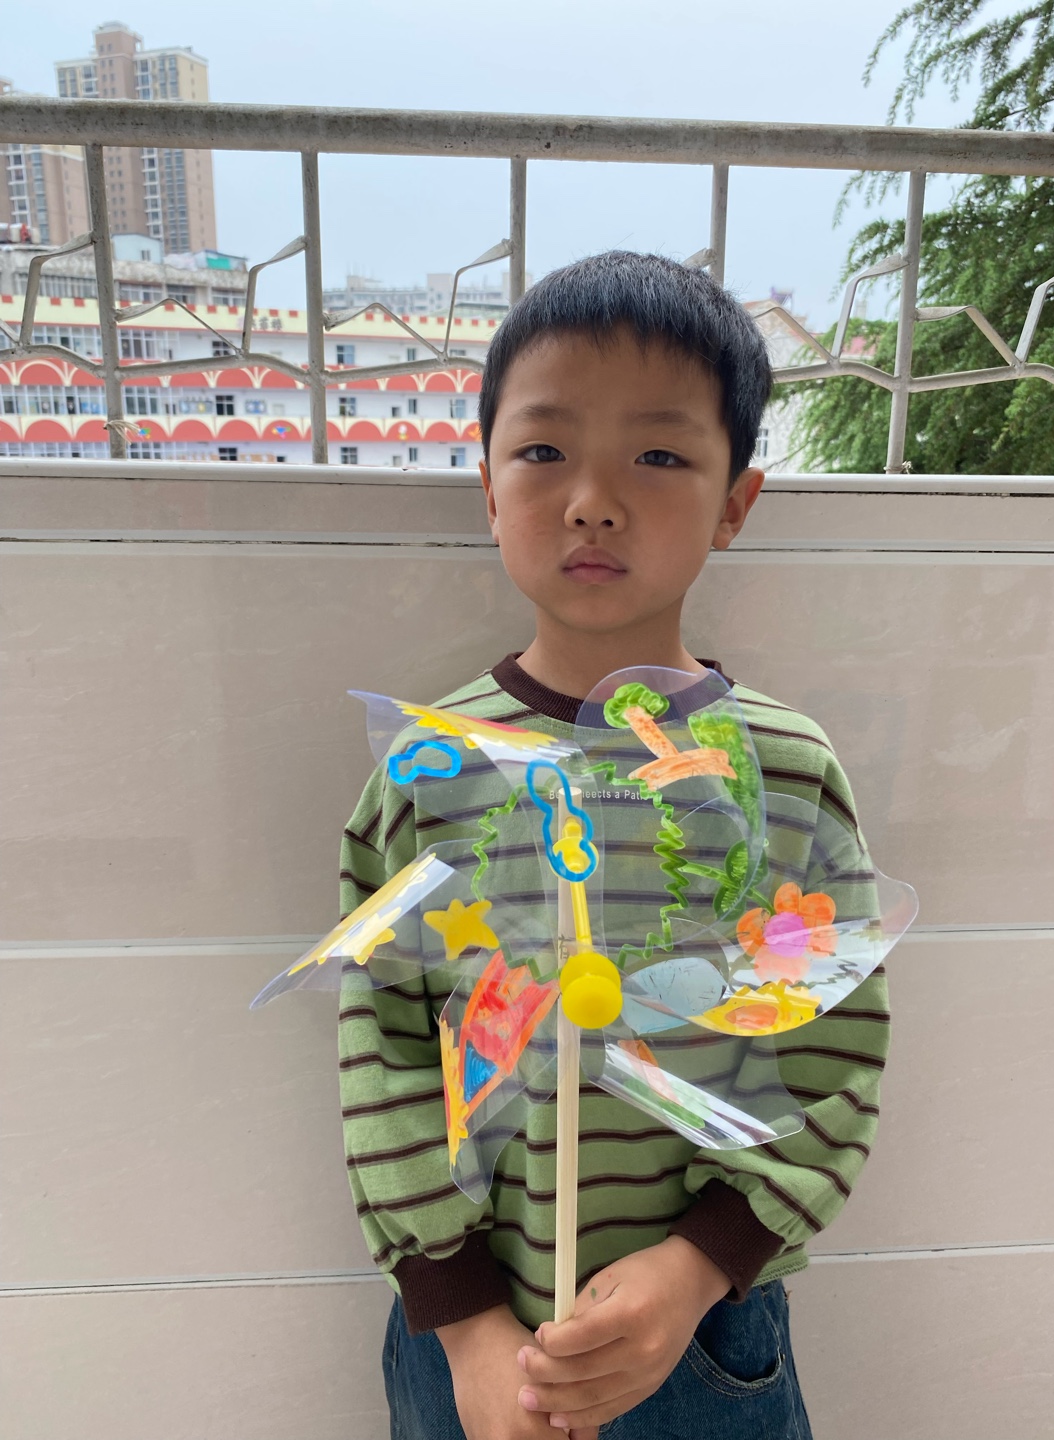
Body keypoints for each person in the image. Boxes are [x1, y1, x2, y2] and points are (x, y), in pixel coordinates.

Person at [339, 251, 889, 1439]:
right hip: (471, 1336)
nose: (592, 499)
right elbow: (382, 1047)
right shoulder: (427, 770)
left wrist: (696, 1269)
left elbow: (836, 1050)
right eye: (543, 451)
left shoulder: (787, 772)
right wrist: (466, 1324)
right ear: (487, 488)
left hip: (703, 1331)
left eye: (658, 456)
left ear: (735, 502)